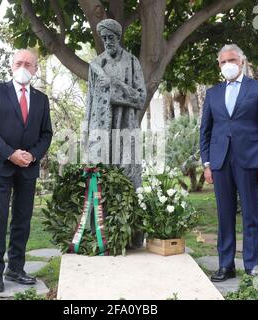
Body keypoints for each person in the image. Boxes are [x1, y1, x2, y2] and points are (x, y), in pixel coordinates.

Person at [199, 44, 258, 282]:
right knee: (224, 215)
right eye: (223, 62)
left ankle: (251, 264)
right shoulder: (212, 93)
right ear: (219, 65)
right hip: (220, 162)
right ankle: (226, 265)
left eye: (231, 60)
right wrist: (207, 163)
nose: (227, 65)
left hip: (249, 160)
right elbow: (205, 130)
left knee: (251, 214)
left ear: (241, 62)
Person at [0, 49, 53, 292]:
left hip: (28, 168)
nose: (24, 67)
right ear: (12, 66)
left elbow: (46, 134)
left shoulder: (42, 99)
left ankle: (16, 267)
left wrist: (32, 155)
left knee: (22, 220)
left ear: (35, 69)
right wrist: (11, 153)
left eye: (28, 64)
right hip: (0, 167)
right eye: (19, 63)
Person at [83, 18, 147, 248]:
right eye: (104, 38)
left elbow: (140, 97)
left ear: (118, 37)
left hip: (126, 130)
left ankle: (131, 237)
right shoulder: (95, 65)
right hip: (101, 133)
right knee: (100, 181)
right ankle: (99, 238)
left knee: (129, 179)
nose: (107, 41)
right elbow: (90, 101)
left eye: (111, 37)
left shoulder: (131, 62)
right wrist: (87, 136)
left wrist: (114, 86)